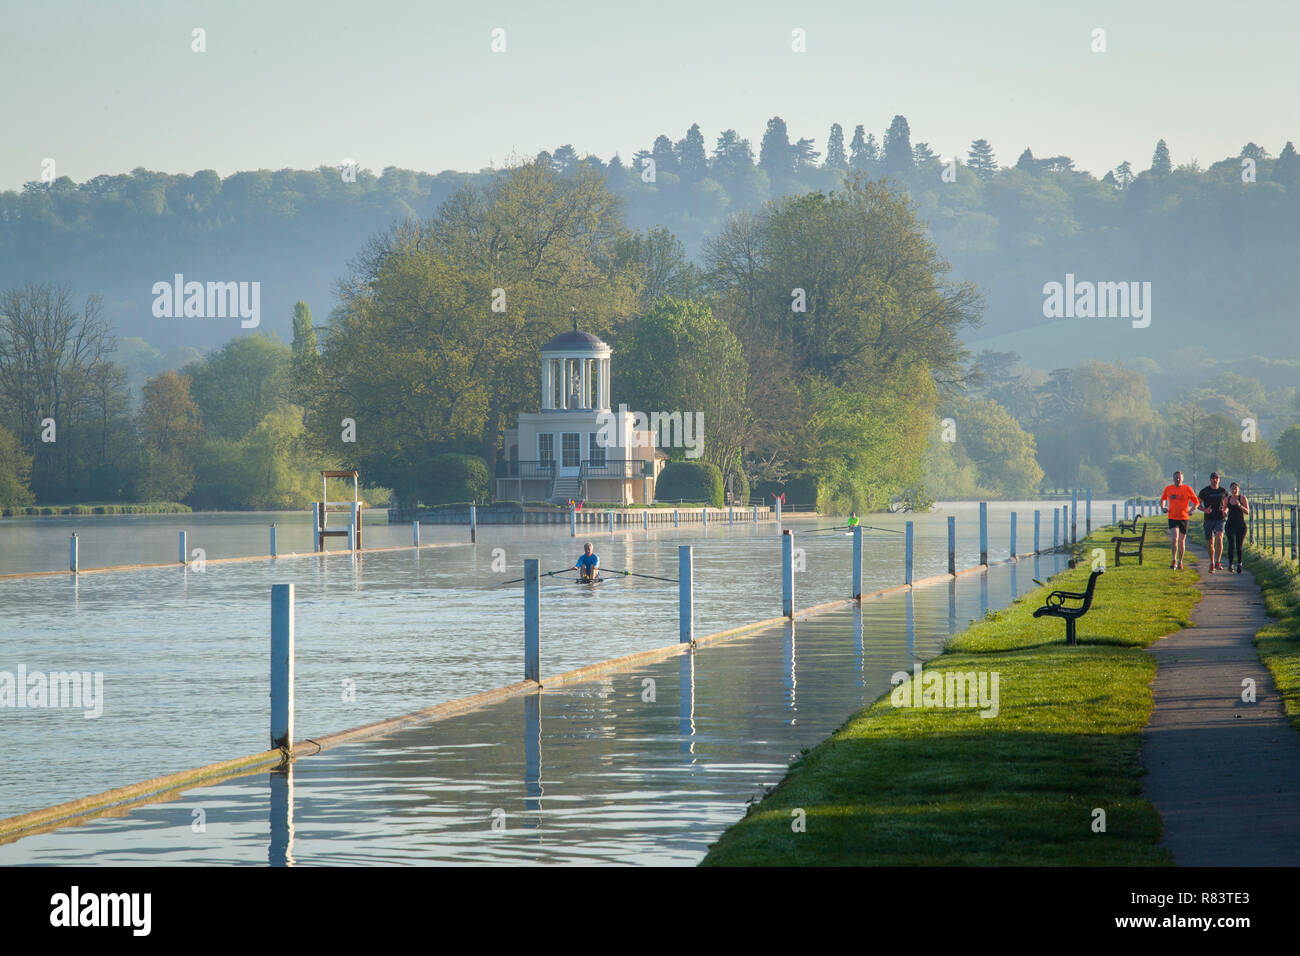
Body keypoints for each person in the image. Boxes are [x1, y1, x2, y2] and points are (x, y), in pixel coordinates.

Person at [1159, 471, 1199, 570]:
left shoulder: (1187, 489)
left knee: (1182, 541)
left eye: (1179, 478)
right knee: (1175, 538)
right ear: (1173, 478)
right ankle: (1174, 560)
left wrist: (1192, 510)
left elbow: (1196, 502)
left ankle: (1180, 561)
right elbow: (1163, 499)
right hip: (1172, 517)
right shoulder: (1168, 489)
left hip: (1184, 518)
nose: (1177, 479)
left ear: (1182, 479)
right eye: (1176, 478)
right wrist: (1163, 507)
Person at [1198, 472, 1230, 573]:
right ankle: (1211, 563)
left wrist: (1225, 511)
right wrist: (1204, 510)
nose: (1214, 480)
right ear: (1210, 479)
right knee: (1210, 542)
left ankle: (1218, 562)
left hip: (1220, 518)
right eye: (1213, 478)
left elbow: (1228, 503)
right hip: (1208, 519)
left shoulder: (1223, 491)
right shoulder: (1205, 491)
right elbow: (1197, 503)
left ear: (1219, 479)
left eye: (1216, 478)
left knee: (1219, 538)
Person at [1225, 482, 1250, 573]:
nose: (1234, 490)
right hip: (1230, 525)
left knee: (1239, 546)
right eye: (1232, 488)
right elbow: (1224, 509)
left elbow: (1247, 512)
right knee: (1231, 545)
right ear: (1230, 489)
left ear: (1238, 489)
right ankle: (1230, 565)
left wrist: (1240, 506)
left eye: (1236, 488)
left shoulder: (1242, 498)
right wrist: (1223, 513)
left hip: (1241, 525)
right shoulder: (1227, 499)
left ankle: (1239, 564)